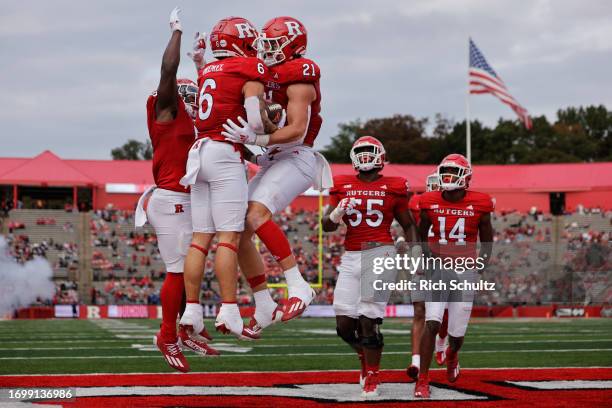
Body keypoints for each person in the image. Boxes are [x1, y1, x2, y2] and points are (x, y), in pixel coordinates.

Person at [221, 16, 332, 333]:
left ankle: (299, 286)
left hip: (296, 156)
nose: (266, 50)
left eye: (273, 44)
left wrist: (256, 139)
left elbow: (296, 131)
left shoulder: (300, 75)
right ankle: (264, 303)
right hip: (271, 156)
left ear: (294, 46)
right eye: (264, 44)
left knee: (255, 215)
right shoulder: (264, 72)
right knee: (239, 228)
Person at [178, 16, 278, 341]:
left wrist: (199, 61)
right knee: (228, 238)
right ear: (241, 42)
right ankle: (229, 308)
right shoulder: (250, 68)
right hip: (224, 154)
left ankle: (192, 309)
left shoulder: (208, 70)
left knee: (199, 238)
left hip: (200, 153)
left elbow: (218, 98)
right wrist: (269, 126)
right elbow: (254, 121)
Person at [136, 7, 218, 373]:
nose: (189, 96)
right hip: (170, 199)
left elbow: (213, 109)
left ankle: (185, 328)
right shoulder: (166, 110)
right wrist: (177, 34)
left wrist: (204, 64)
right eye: (185, 92)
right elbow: (168, 72)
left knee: (193, 271)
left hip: (190, 198)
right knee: (177, 270)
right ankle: (167, 334)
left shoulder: (192, 118)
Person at [322, 136, 415, 399]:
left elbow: (407, 223)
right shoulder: (341, 184)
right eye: (360, 152)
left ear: (381, 156)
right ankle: (366, 354)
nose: (364, 156)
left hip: (380, 252)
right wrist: (337, 212)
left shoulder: (394, 186)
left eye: (369, 152)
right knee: (343, 325)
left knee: (368, 319)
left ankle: (373, 374)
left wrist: (418, 254)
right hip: (351, 255)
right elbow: (326, 226)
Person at [414, 153, 494, 398]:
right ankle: (423, 380)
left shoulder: (481, 202)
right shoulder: (428, 200)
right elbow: (420, 233)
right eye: (445, 172)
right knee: (432, 322)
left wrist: (482, 263)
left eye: (453, 173)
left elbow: (487, 237)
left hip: (464, 271)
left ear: (466, 177)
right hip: (438, 268)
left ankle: (452, 354)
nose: (448, 177)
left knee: (457, 335)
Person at [405, 173, 447, 381]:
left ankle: (442, 340)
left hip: (445, 263)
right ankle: (416, 360)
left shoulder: (453, 207)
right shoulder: (417, 202)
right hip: (423, 260)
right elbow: (411, 229)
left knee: (442, 314)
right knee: (419, 310)